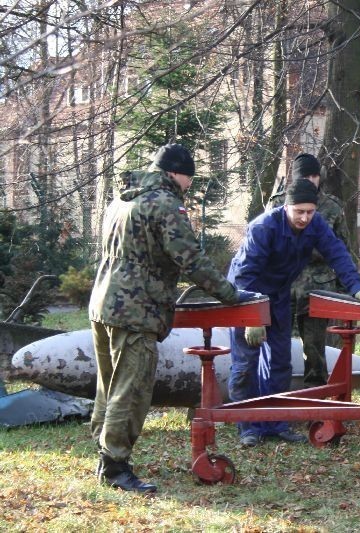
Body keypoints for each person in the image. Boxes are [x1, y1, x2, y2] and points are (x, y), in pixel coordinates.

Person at [89, 143, 261, 493]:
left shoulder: (121, 200)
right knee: (131, 390)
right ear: (174, 173)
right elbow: (191, 261)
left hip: (102, 304)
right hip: (136, 311)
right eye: (188, 178)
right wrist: (231, 295)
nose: (189, 186)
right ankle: (115, 468)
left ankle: (106, 456)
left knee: (108, 387)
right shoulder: (166, 204)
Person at [227, 179, 360, 446]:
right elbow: (244, 276)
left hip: (279, 296)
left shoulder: (316, 223)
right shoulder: (263, 228)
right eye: (299, 212)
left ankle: (275, 422)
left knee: (280, 362)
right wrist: (251, 316)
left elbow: (337, 253)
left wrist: (356, 287)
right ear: (286, 207)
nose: (305, 218)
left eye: (310, 212)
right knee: (245, 364)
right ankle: (248, 426)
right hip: (246, 295)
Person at [266, 153, 352, 387]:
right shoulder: (278, 203)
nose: (311, 180)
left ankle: (316, 408)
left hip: (317, 288)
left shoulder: (331, 207)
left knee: (315, 352)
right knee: (278, 348)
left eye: (315, 175)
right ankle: (279, 407)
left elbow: (342, 249)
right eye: (306, 175)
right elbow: (265, 249)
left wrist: (347, 293)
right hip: (284, 288)